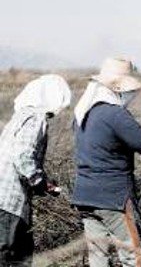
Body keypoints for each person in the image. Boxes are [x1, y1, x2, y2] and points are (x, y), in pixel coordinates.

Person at [71, 57, 141, 267]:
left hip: (86, 197)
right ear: (119, 87)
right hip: (114, 196)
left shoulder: (82, 113)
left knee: (98, 257)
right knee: (135, 258)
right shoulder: (115, 114)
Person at [0, 74, 72, 266]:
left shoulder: (20, 116)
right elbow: (22, 155)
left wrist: (42, 182)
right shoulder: (35, 118)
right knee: (12, 256)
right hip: (9, 199)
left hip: (4, 195)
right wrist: (38, 181)